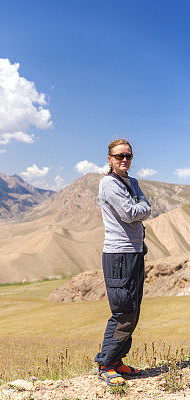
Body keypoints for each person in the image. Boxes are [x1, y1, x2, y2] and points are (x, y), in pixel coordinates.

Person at [94, 139, 151, 386]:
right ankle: (106, 364)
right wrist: (143, 208)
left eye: (128, 156)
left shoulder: (133, 182)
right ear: (110, 159)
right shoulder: (108, 183)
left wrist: (142, 208)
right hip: (119, 255)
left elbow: (144, 208)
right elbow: (132, 213)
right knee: (123, 311)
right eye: (119, 156)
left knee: (133, 309)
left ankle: (117, 360)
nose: (124, 160)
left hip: (135, 252)